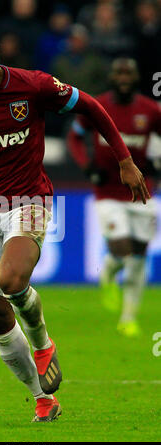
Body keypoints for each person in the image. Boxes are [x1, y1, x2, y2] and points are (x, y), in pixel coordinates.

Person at [0, 23, 149, 422]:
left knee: (12, 281)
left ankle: (43, 343)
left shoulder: (33, 87)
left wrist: (124, 159)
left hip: (28, 200)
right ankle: (42, 399)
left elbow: (92, 107)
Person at [67, 58, 161, 337]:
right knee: (121, 248)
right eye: (118, 73)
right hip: (107, 191)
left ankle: (129, 317)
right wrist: (87, 166)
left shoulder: (150, 110)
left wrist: (156, 162)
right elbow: (74, 137)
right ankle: (108, 272)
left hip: (142, 192)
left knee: (139, 256)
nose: (123, 78)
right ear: (111, 77)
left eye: (128, 73)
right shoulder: (97, 106)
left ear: (136, 78)